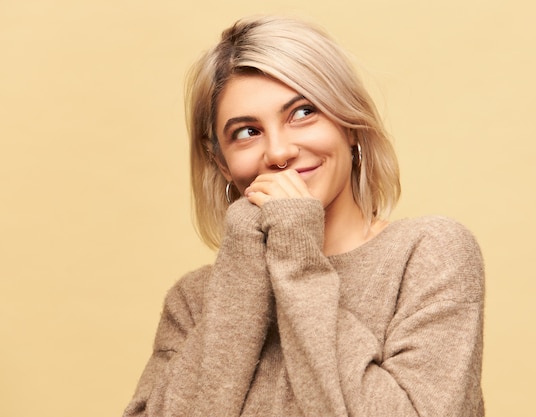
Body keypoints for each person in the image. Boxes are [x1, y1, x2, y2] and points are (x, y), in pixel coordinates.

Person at [123, 15, 485, 417]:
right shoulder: (194, 302)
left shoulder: (428, 255)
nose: (278, 153)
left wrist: (296, 252)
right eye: (246, 132)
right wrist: (243, 262)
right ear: (222, 164)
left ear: (349, 123)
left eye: (302, 112)